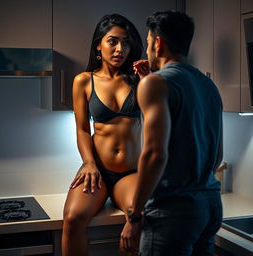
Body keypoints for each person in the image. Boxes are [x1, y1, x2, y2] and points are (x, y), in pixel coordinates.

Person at [121, 10, 223, 256]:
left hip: (174, 212)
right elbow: (217, 157)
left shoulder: (154, 83)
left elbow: (155, 155)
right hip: (210, 206)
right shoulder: (208, 84)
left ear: (158, 43)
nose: (146, 51)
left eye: (147, 44)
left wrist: (134, 216)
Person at [62, 14, 143, 256]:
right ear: (98, 44)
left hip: (129, 173)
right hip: (96, 170)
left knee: (138, 217)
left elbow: (159, 122)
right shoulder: (83, 81)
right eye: (112, 41)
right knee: (73, 218)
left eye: (126, 42)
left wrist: (150, 80)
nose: (120, 49)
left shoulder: (140, 80)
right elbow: (82, 128)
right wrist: (88, 163)